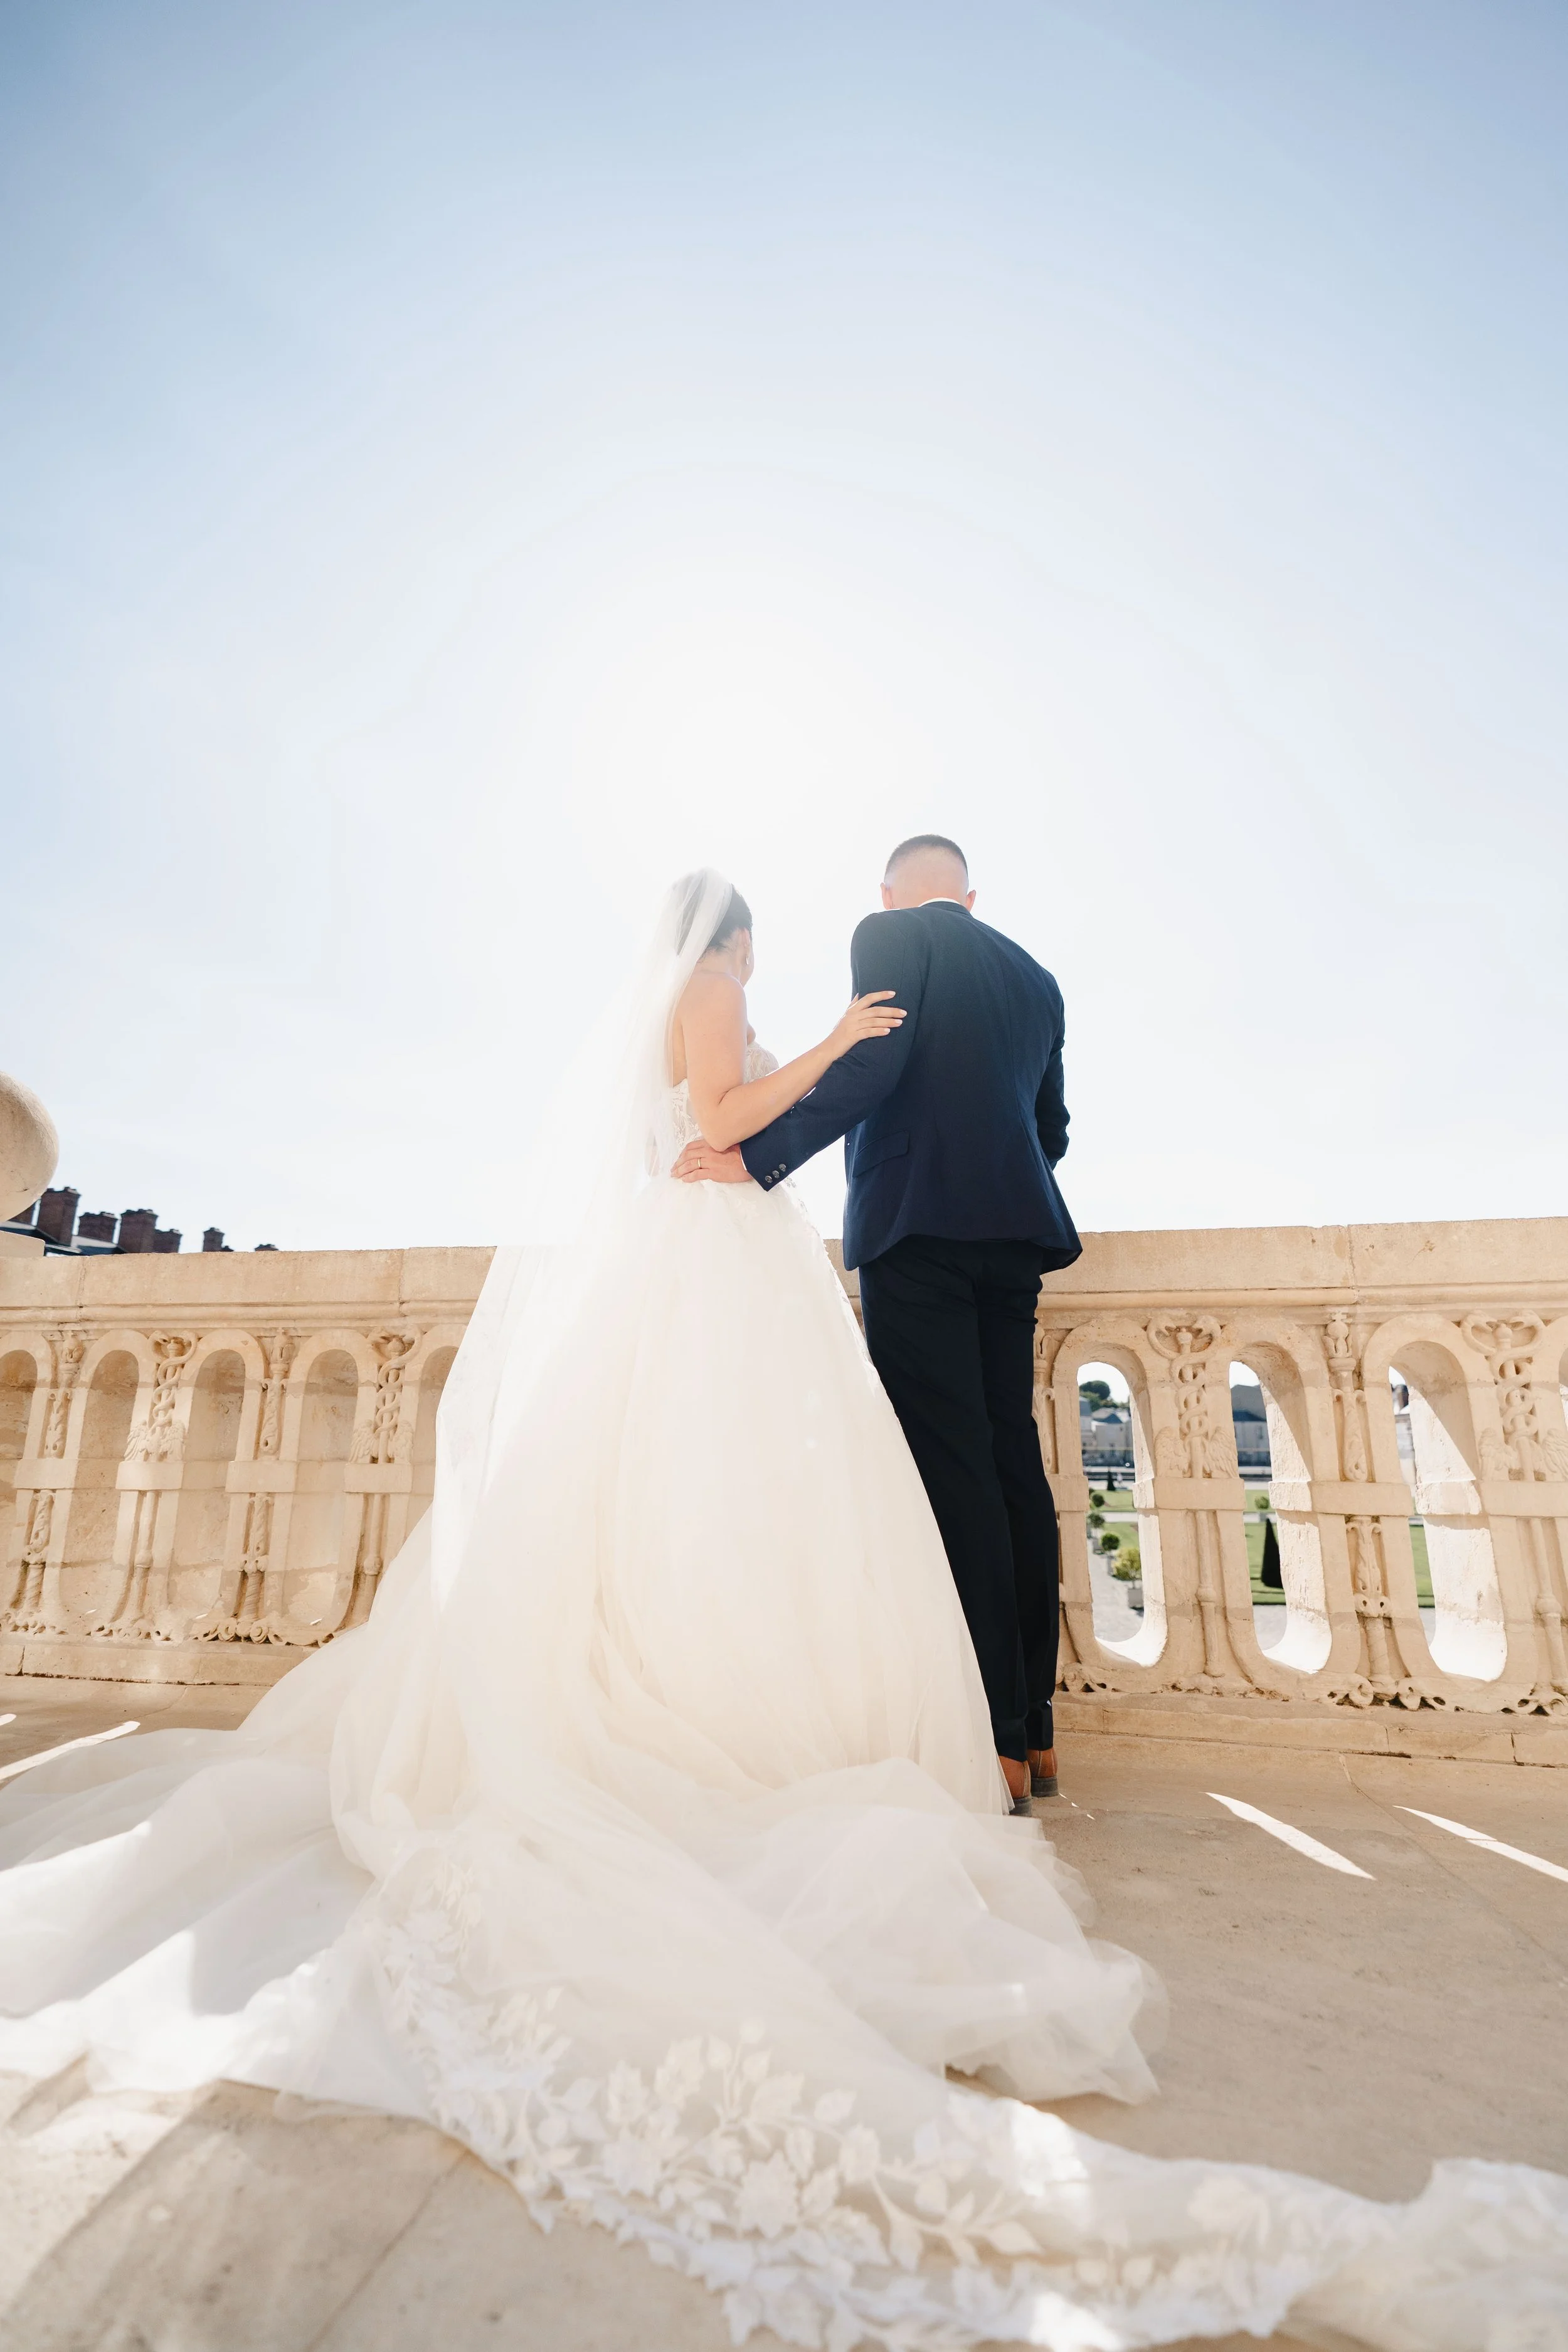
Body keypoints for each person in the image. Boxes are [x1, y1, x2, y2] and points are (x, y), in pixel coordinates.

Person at [1, 870, 1562, 2352]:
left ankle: (827, 1716)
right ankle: (913, 1730)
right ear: (732, 940)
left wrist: (799, 1083)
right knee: (775, 1491)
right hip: (766, 1240)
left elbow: (760, 1119)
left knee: (729, 1498)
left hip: (755, 1241)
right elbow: (728, 1116)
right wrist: (811, 1049)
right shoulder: (771, 985)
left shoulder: (848, 970)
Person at [675, 836, 1074, 1809]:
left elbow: (871, 1068)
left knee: (952, 1469)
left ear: (890, 892)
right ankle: (1041, 1729)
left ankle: (992, 1738)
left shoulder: (888, 935)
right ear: (971, 896)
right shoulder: (1039, 980)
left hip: (917, 1232)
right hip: (1016, 1236)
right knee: (1015, 1463)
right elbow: (1052, 1128)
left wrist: (758, 1157)